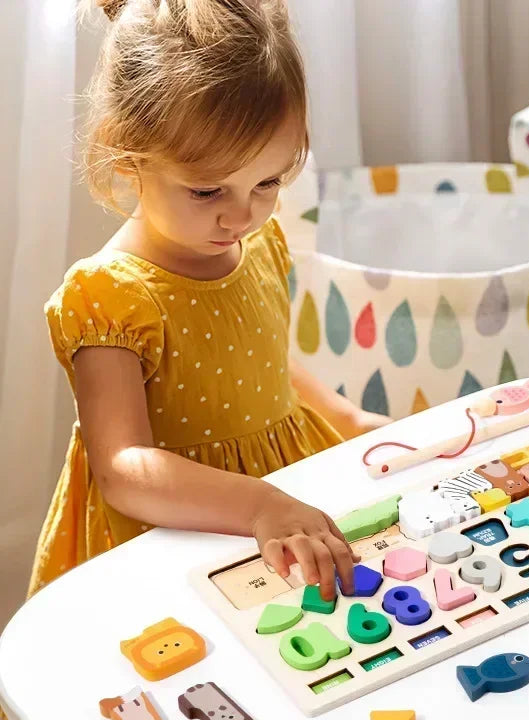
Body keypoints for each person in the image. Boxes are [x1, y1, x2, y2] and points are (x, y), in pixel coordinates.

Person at [30, 0, 391, 602]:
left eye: (268, 182)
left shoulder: (257, 241)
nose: (242, 214)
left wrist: (348, 419)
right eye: (206, 190)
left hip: (279, 503)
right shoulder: (110, 297)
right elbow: (122, 468)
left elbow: (263, 364)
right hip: (171, 533)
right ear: (127, 152)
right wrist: (257, 505)